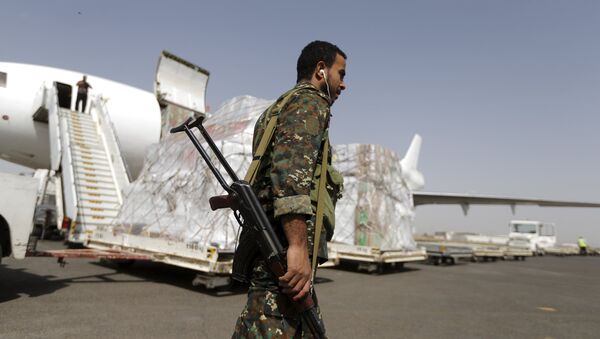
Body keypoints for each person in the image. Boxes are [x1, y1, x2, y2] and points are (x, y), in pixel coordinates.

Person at [232, 40, 347, 338]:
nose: (343, 84)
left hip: (278, 247)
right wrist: (297, 247)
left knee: (306, 327)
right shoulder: (310, 102)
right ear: (321, 70)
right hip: (284, 253)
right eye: (341, 74)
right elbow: (290, 173)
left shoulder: (280, 106)